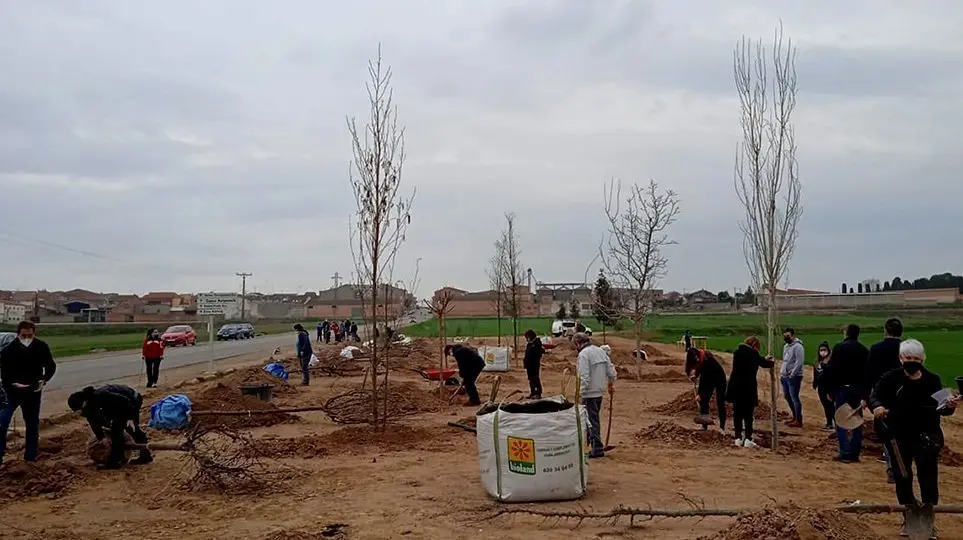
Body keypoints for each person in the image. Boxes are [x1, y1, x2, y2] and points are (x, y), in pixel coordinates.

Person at [869, 339, 958, 538]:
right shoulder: (890, 378)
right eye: (908, 358)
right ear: (901, 358)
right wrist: (877, 406)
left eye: (916, 358)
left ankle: (928, 518)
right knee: (903, 476)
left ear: (922, 359)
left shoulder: (933, 380)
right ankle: (909, 517)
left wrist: (950, 406)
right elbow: (874, 397)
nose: (912, 361)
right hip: (898, 438)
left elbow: (944, 408)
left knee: (928, 476)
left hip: (927, 437)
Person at [0, 321, 57, 465]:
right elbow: (4, 373)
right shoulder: (9, 350)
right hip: (12, 392)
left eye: (29, 335)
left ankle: (30, 457)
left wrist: (43, 380)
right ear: (18, 334)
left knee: (32, 424)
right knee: (2, 421)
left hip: (32, 391)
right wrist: (12, 384)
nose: (26, 338)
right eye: (23, 335)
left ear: (34, 333)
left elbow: (50, 366)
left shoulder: (41, 347)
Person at [68, 384, 153, 469]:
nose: (79, 412)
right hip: (115, 407)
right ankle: (119, 456)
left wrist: (130, 418)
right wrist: (102, 438)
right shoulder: (88, 407)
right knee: (114, 428)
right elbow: (93, 422)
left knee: (124, 430)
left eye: (79, 409)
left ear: (84, 402)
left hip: (131, 401)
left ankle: (118, 461)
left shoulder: (101, 396)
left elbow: (125, 401)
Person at [867, 317, 904, 483]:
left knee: (886, 429)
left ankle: (891, 464)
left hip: (881, 393)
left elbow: (869, 371)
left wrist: (869, 394)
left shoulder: (876, 349)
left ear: (885, 330)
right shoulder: (906, 349)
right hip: (903, 393)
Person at [827, 324, 870, 463]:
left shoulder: (839, 348)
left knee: (841, 419)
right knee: (856, 420)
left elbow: (832, 370)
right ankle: (855, 453)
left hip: (842, 389)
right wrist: (865, 395)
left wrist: (830, 390)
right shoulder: (864, 350)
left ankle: (845, 453)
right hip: (858, 390)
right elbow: (867, 374)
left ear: (846, 333)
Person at [725, 336, 774, 448]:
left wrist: (761, 358)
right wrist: (771, 362)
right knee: (748, 415)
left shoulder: (737, 353)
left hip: (736, 388)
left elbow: (757, 360)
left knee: (737, 414)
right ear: (754, 345)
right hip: (748, 388)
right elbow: (764, 363)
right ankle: (748, 438)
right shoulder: (753, 354)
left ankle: (737, 438)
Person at [575, 332, 616, 458]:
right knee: (592, 419)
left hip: (589, 393)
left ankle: (597, 448)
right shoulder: (600, 351)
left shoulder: (583, 355)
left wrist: (579, 393)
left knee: (591, 421)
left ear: (578, 343)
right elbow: (611, 371)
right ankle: (587, 444)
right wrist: (610, 383)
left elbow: (584, 376)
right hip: (598, 392)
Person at [686, 347, 728, 435]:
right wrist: (693, 376)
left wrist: (700, 394)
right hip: (708, 378)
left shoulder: (707, 362)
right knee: (703, 400)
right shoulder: (697, 359)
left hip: (719, 378)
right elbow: (693, 369)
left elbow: (705, 382)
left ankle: (722, 428)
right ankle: (704, 425)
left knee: (720, 401)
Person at [780, 328, 805, 427]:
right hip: (785, 376)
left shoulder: (798, 347)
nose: (786, 338)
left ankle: (799, 419)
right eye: (785, 336)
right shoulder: (786, 346)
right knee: (787, 396)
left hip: (794, 377)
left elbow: (799, 362)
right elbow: (785, 360)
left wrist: (792, 374)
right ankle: (795, 416)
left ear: (792, 336)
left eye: (788, 336)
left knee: (794, 397)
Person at [812, 341, 835, 431]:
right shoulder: (817, 362)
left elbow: (831, 377)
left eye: (824, 350)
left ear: (828, 351)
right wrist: (815, 383)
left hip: (828, 388)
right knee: (825, 405)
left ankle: (837, 423)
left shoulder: (830, 362)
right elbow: (815, 373)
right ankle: (829, 423)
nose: (822, 352)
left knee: (831, 406)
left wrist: (830, 391)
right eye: (821, 350)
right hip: (821, 388)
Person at [523, 330, 544, 399]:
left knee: (535, 378)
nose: (526, 339)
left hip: (534, 365)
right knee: (530, 379)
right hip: (529, 366)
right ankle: (533, 392)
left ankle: (538, 393)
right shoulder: (529, 344)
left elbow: (537, 355)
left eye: (527, 337)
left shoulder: (537, 344)